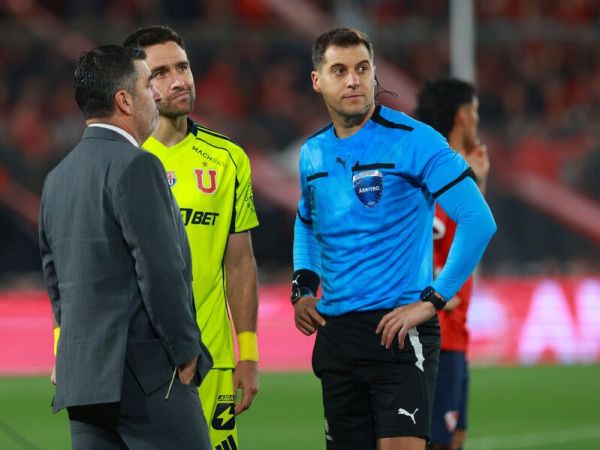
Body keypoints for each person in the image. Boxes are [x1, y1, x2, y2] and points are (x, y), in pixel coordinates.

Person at [291, 28, 496, 450]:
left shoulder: (416, 140)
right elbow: (307, 222)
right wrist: (303, 289)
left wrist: (433, 299)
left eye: (362, 68)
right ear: (317, 80)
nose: (353, 80)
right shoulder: (312, 152)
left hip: (398, 332)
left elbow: (478, 220)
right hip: (336, 335)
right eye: (339, 70)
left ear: (374, 73)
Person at [39, 45, 213, 449]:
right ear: (124, 100)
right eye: (147, 84)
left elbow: (56, 281)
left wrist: (67, 354)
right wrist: (186, 351)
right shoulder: (137, 165)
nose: (156, 94)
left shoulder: (57, 178)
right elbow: (160, 271)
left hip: (83, 381)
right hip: (145, 378)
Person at [123, 26, 259, 450]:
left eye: (182, 67)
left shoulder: (228, 159)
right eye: (161, 73)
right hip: (137, 362)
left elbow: (239, 262)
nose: (179, 80)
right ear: (135, 85)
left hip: (212, 358)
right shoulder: (122, 159)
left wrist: (248, 353)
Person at [415, 78, 489, 450]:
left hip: (457, 330)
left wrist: (480, 183)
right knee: (438, 442)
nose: (477, 120)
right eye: (474, 112)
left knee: (454, 438)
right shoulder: (433, 172)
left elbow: (467, 237)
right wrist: (435, 287)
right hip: (437, 332)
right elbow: (419, 238)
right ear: (462, 116)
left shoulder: (460, 173)